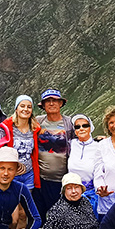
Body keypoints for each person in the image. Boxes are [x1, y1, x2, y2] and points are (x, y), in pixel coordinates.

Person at [34, 88, 74, 219]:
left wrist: (98, 140)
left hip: (61, 180)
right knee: (40, 215)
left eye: (55, 101)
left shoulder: (69, 123)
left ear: (61, 103)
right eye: (48, 101)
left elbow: (81, 138)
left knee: (60, 216)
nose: (51, 103)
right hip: (41, 180)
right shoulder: (38, 122)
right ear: (43, 105)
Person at [3, 95, 39, 191]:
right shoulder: (7, 127)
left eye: (29, 107)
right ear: (16, 109)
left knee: (26, 199)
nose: (25, 109)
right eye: (22, 106)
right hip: (11, 174)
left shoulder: (35, 128)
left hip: (28, 174)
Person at [67, 114, 100, 215]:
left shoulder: (99, 146)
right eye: (77, 127)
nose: (81, 129)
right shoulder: (72, 144)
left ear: (90, 128)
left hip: (92, 195)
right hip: (72, 193)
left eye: (85, 126)